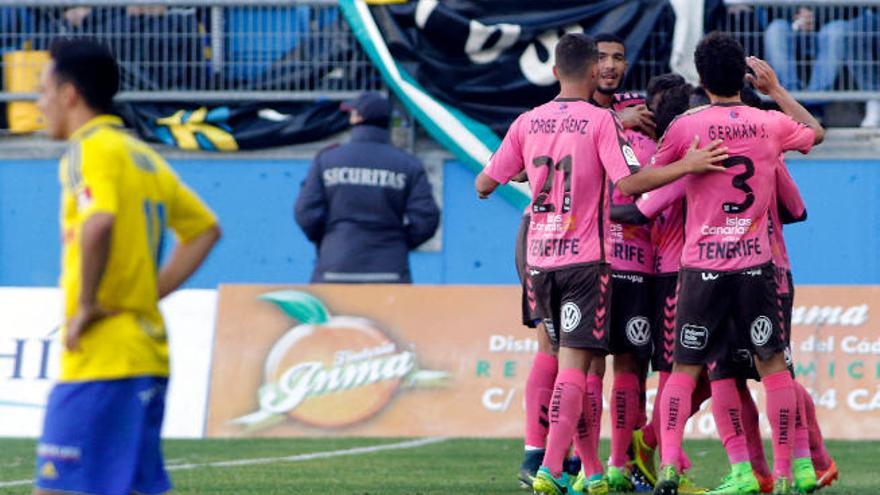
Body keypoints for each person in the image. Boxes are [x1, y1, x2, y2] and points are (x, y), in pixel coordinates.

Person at [475, 32, 728, 495]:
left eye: (618, 58)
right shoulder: (603, 122)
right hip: (586, 255)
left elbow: (485, 182)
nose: (609, 66)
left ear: (555, 72)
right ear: (590, 69)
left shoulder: (531, 120)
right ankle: (547, 461)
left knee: (603, 360)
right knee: (574, 361)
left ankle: (594, 469)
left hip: (567, 256)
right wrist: (686, 165)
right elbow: (630, 187)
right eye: (603, 59)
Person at [33, 39, 221, 495]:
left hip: (104, 357)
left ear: (69, 94)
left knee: (55, 490)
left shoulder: (89, 150)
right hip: (149, 354)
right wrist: (147, 294)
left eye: (42, 91)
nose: (38, 106)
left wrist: (87, 305)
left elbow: (99, 223)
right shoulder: (145, 157)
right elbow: (204, 230)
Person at [644, 32, 824, 495]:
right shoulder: (767, 122)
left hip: (701, 267)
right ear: (744, 78)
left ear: (701, 79)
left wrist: (688, 165)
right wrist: (777, 91)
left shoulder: (686, 127)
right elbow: (816, 133)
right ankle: (784, 473)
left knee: (685, 369)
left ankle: (668, 466)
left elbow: (634, 186)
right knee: (774, 370)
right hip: (755, 268)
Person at [295, 92, 440, 283]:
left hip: (335, 268)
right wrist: (399, 242)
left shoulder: (328, 159)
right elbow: (426, 219)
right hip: (390, 270)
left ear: (357, 118)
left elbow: (306, 212)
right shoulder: (407, 164)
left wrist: (332, 239)